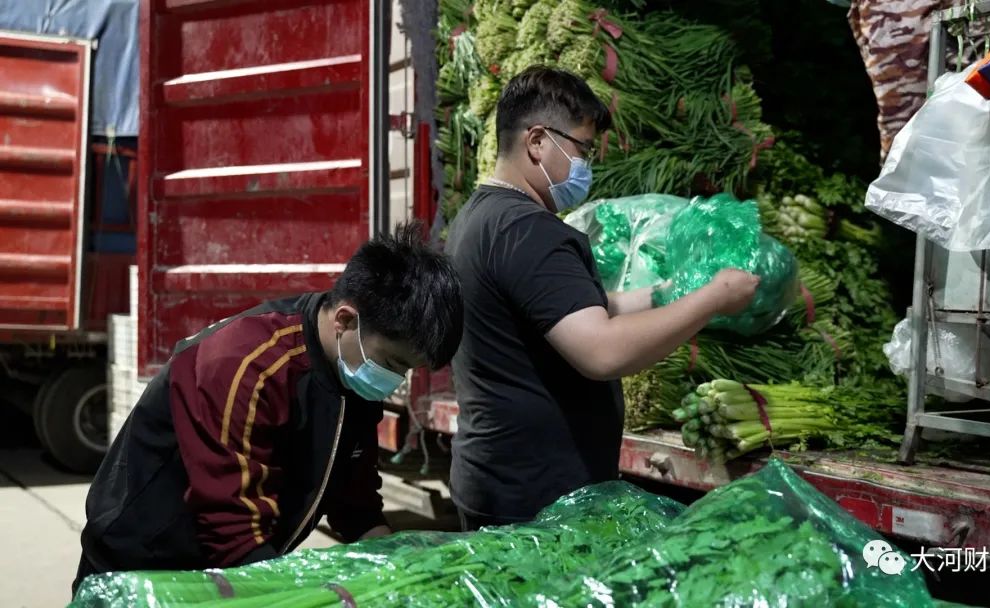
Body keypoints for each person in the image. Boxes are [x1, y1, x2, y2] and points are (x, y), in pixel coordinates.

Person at [445, 66, 760, 531]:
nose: (586, 165)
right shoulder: (529, 231)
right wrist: (714, 298)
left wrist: (668, 293)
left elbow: (573, 310)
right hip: (537, 500)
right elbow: (601, 350)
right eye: (582, 148)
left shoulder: (478, 219)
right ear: (537, 141)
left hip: (498, 480)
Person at [72, 222, 463, 595]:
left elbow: (355, 504)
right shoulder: (246, 366)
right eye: (393, 363)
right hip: (144, 569)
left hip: (229, 569)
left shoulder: (352, 375)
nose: (395, 380)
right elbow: (233, 532)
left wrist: (404, 571)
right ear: (345, 320)